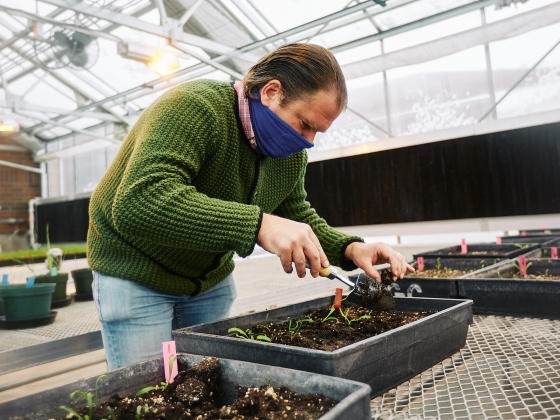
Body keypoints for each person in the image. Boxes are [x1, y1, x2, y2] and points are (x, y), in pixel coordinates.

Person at [87, 43, 414, 370]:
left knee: (204, 384)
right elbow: (139, 201)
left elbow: (295, 214)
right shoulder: (194, 107)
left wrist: (351, 249)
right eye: (304, 123)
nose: (309, 141)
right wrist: (259, 226)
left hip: (208, 281)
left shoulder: (290, 154)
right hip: (136, 274)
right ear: (271, 92)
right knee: (148, 393)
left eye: (317, 131)